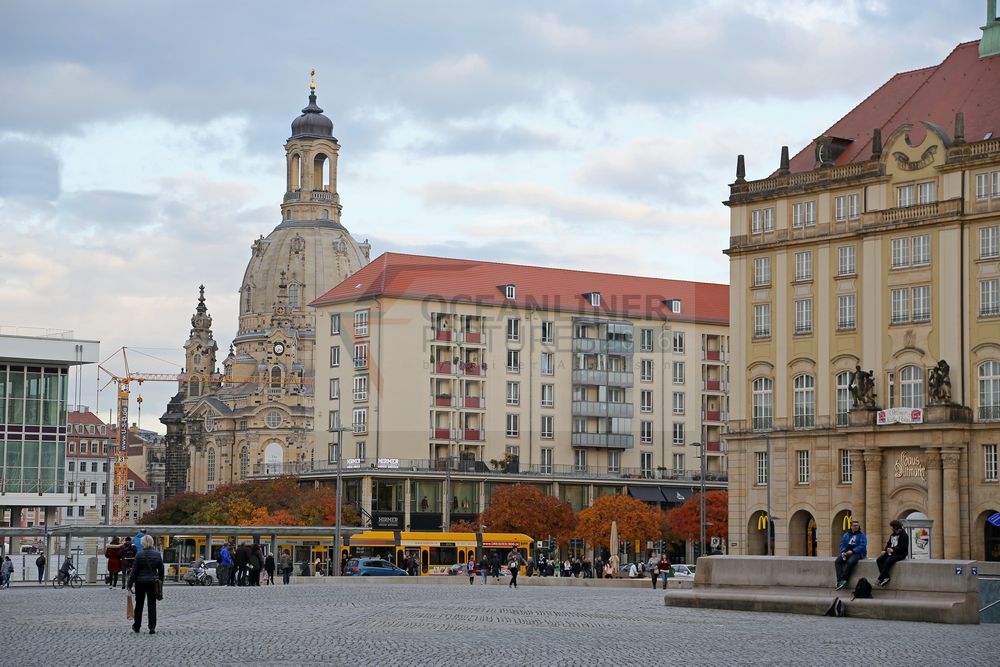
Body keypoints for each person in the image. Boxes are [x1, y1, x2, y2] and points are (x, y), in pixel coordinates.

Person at [127, 534, 164, 635]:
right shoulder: (157, 555)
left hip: (140, 583)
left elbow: (134, 572)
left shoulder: (139, 555)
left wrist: (129, 584)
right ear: (151, 543)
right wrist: (160, 582)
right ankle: (152, 627)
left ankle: (137, 626)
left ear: (142, 543)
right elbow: (161, 570)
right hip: (153, 582)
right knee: (152, 605)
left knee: (139, 605)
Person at [835, 519, 868, 590]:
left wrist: (853, 551)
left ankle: (844, 579)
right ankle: (840, 581)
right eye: (855, 526)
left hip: (858, 553)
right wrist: (843, 551)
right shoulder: (846, 534)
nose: (856, 527)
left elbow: (863, 545)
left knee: (850, 562)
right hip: (847, 552)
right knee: (837, 561)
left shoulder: (862, 535)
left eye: (857, 525)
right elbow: (842, 544)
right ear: (851, 526)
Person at [876, 519, 910, 587]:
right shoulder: (892, 535)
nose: (891, 528)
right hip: (891, 552)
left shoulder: (904, 535)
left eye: (891, 527)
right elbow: (888, 544)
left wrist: (893, 549)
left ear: (895, 527)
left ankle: (880, 579)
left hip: (900, 554)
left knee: (888, 561)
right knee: (879, 560)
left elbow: (903, 547)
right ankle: (886, 577)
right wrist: (885, 550)